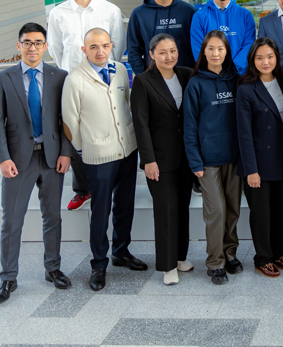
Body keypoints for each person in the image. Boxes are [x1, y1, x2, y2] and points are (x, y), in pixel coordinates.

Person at [61, 28, 146, 292]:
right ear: (84, 50)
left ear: (111, 46)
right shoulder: (75, 79)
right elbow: (70, 123)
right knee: (101, 211)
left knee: (124, 205)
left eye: (105, 46)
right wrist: (85, 152)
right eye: (94, 47)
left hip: (127, 150)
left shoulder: (120, 70)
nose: (100, 51)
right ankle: (99, 263)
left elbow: (127, 104)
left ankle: (121, 252)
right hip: (98, 156)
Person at [0, 23, 73, 304]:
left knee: (52, 217)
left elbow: (66, 119)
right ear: (18, 46)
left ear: (45, 46)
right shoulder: (5, 78)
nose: (33, 48)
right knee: (12, 221)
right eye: (27, 43)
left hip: (52, 157)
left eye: (38, 43)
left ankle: (52, 269)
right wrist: (3, 157)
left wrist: (66, 152)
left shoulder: (59, 76)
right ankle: (8, 277)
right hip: (18, 159)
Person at [48, 0, 126, 212]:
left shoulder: (110, 10)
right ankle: (83, 189)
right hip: (72, 80)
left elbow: (117, 45)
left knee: (108, 128)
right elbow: (55, 49)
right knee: (74, 131)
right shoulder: (58, 13)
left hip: (103, 80)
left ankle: (111, 184)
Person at [130, 33, 194, 285]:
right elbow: (141, 125)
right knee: (166, 210)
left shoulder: (187, 75)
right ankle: (167, 266)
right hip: (159, 159)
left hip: (186, 157)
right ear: (152, 54)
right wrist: (148, 160)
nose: (169, 56)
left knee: (182, 209)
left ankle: (180, 257)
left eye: (173, 50)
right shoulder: (144, 82)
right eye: (163, 52)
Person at [183, 31, 242, 285]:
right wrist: (195, 161)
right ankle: (215, 262)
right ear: (203, 52)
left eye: (220, 48)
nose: (216, 53)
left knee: (232, 210)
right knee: (215, 211)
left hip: (234, 158)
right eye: (211, 49)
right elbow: (189, 125)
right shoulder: (196, 84)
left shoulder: (236, 80)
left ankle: (230, 254)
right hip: (207, 160)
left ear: (226, 51)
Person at [236, 38, 283, 278]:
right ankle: (263, 257)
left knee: (280, 211)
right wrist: (251, 170)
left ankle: (277, 252)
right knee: (261, 213)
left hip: (282, 159)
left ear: (277, 58)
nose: (265, 61)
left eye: (270, 56)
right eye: (259, 57)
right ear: (252, 60)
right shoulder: (245, 89)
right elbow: (244, 133)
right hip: (258, 163)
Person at [127, 0, 196, 76]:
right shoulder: (139, 14)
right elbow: (133, 49)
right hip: (154, 79)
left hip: (187, 77)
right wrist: (144, 76)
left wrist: (194, 75)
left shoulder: (189, 11)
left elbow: (198, 45)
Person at [190, 0, 256, 74]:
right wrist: (215, 70)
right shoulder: (199, 16)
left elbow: (249, 46)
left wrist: (232, 69)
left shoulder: (245, 15)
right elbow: (198, 49)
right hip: (210, 76)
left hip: (239, 76)